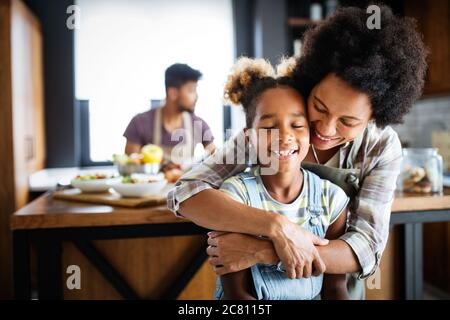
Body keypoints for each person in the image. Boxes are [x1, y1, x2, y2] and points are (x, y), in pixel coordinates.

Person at [167, 5, 427, 299]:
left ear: (374, 118)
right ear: (312, 82)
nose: (326, 129)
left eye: (348, 121)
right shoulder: (276, 127)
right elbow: (186, 194)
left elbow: (366, 247)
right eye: (319, 106)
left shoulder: (380, 146)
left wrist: (265, 250)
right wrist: (276, 227)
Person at [216, 57, 349, 300]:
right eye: (268, 128)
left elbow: (335, 288)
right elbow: (237, 294)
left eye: (297, 125)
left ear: (310, 132)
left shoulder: (332, 198)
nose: (285, 136)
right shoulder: (235, 197)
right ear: (249, 138)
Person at [123, 63, 215, 170]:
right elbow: (130, 167)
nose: (196, 96)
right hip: (153, 186)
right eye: (191, 90)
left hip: (185, 186)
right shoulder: (139, 123)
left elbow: (214, 157)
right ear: (173, 93)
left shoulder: (199, 124)